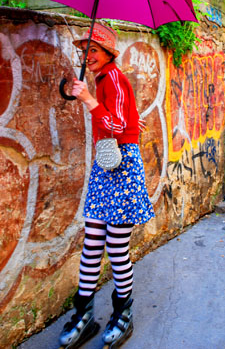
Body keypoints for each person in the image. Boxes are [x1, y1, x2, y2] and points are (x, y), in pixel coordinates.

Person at [59, 23, 155, 349]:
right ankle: (84, 315)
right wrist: (125, 115)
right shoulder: (104, 79)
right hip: (107, 165)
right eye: (83, 51)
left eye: (93, 51)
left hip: (123, 168)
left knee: (115, 245)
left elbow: (113, 124)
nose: (87, 57)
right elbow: (125, 117)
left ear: (108, 52)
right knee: (92, 241)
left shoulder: (111, 78)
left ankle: (123, 313)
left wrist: (86, 99)